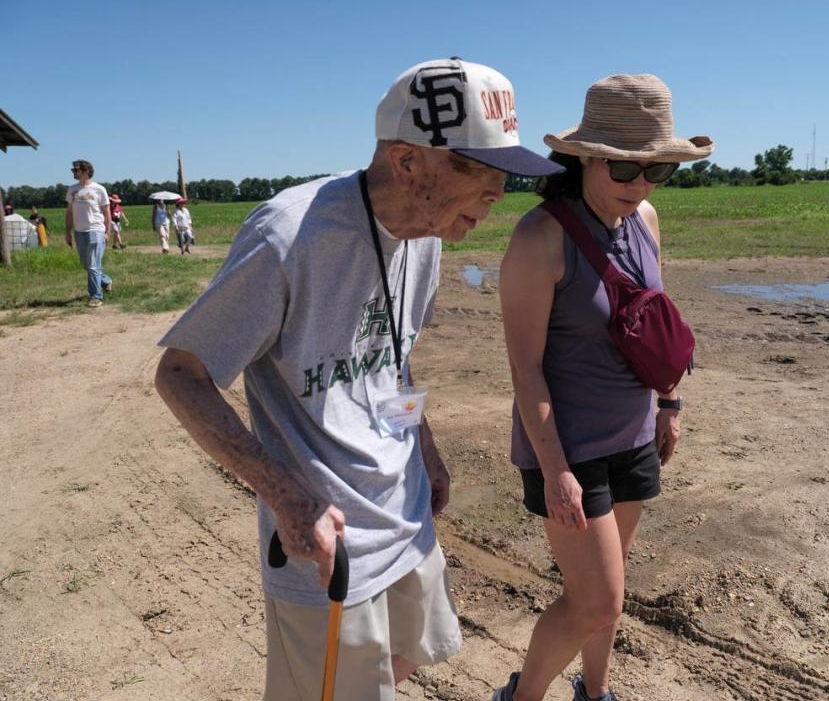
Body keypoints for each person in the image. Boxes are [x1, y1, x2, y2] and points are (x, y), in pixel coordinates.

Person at [153, 57, 562, 701]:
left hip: (405, 516)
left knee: (402, 662)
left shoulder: (425, 234)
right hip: (327, 542)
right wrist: (287, 497)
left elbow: (392, 356)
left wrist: (422, 444)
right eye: (478, 170)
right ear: (407, 162)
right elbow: (181, 373)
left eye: (503, 176)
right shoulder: (291, 236)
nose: (495, 194)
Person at [494, 74, 714, 701]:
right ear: (585, 155)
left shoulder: (645, 218)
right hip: (570, 448)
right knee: (597, 600)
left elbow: (655, 317)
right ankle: (522, 696)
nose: (640, 185)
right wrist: (555, 466)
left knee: (604, 602)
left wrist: (669, 403)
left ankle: (595, 692)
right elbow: (525, 368)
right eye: (624, 169)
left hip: (634, 435)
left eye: (657, 170)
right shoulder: (540, 238)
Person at [65, 160, 114, 307]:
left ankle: (95, 296)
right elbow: (69, 212)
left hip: (96, 230)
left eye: (76, 170)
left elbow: (106, 212)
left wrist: (108, 231)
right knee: (87, 265)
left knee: (92, 265)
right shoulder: (72, 189)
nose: (74, 172)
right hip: (79, 232)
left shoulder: (99, 189)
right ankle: (105, 280)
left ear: (86, 171)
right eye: (73, 170)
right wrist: (68, 232)